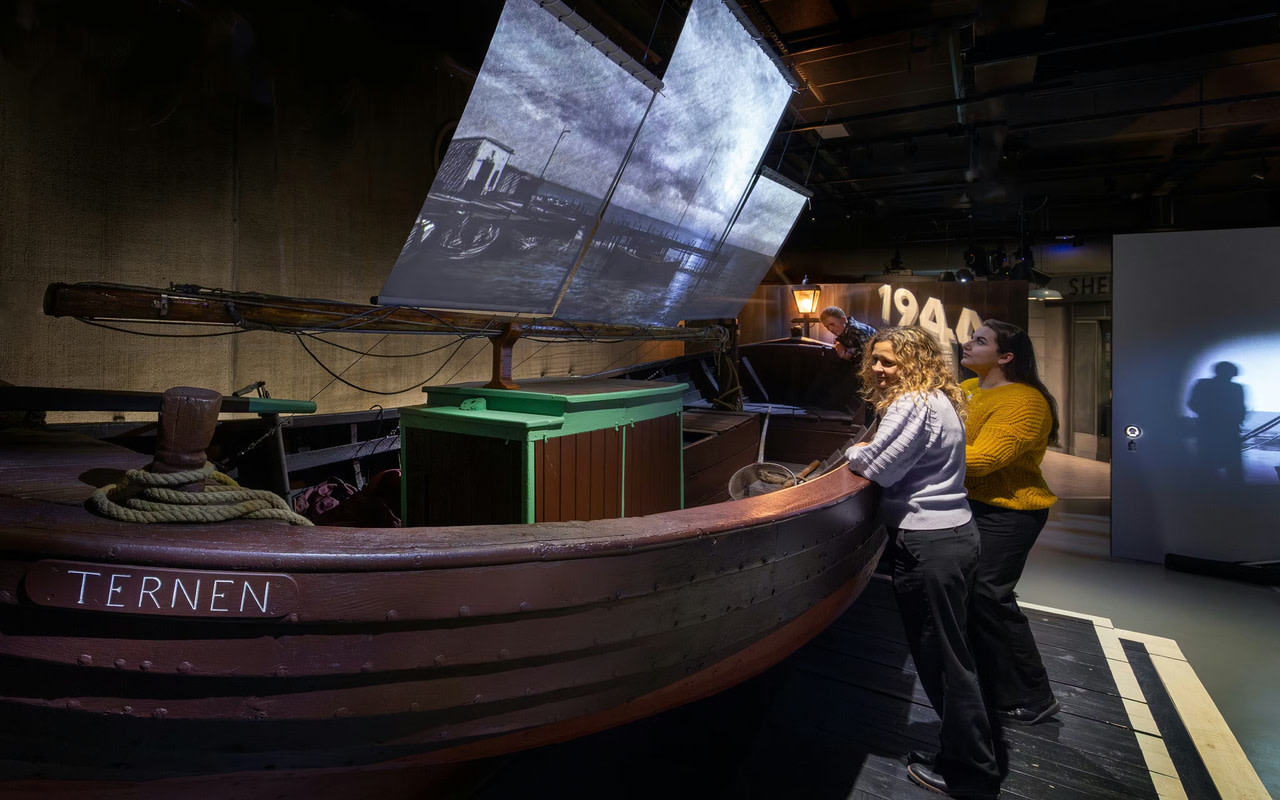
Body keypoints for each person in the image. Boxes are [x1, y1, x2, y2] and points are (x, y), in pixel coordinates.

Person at [845, 326, 1000, 800]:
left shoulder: (912, 403)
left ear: (915, 363)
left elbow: (877, 467)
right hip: (953, 536)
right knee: (953, 655)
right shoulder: (939, 398)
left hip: (930, 544)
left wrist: (854, 451)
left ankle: (971, 774)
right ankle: (969, 758)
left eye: (888, 362)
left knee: (945, 663)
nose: (877, 369)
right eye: (874, 360)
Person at [959, 319, 1060, 726]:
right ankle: (994, 682)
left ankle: (1034, 695)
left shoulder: (1025, 401)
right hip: (973, 505)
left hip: (1011, 512)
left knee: (989, 595)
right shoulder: (968, 389)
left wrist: (920, 450)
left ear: (1005, 356)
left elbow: (982, 460)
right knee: (972, 594)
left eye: (980, 341)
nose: (968, 344)